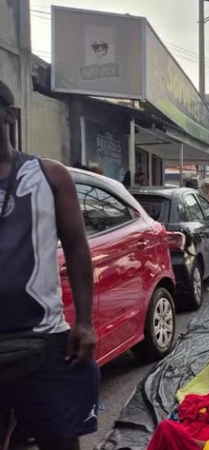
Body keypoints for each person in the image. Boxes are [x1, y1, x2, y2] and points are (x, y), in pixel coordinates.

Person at [0, 80, 99, 450]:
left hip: (43, 341)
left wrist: (85, 322)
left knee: (59, 441)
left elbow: (76, 247)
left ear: (11, 116)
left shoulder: (49, 175)